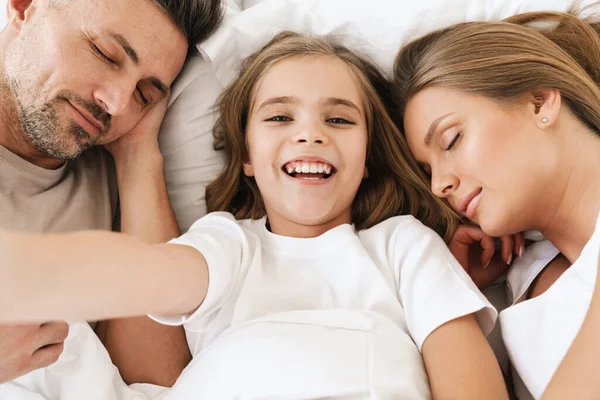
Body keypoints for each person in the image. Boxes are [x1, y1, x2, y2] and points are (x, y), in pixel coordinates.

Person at [0, 32, 508, 399]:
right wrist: (39, 272)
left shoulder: (404, 246)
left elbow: (468, 381)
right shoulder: (229, 243)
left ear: (370, 154)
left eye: (338, 119)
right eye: (280, 117)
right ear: (246, 155)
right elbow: (150, 277)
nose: (310, 134)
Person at [0, 0, 223, 386]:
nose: (117, 103)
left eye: (145, 94)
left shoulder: (115, 186)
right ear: (25, 7)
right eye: (105, 53)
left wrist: (138, 157)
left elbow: (154, 383)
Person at [393, 7, 600, 399]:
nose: (439, 185)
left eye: (451, 140)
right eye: (427, 171)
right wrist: (454, 297)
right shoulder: (526, 295)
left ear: (540, 102)